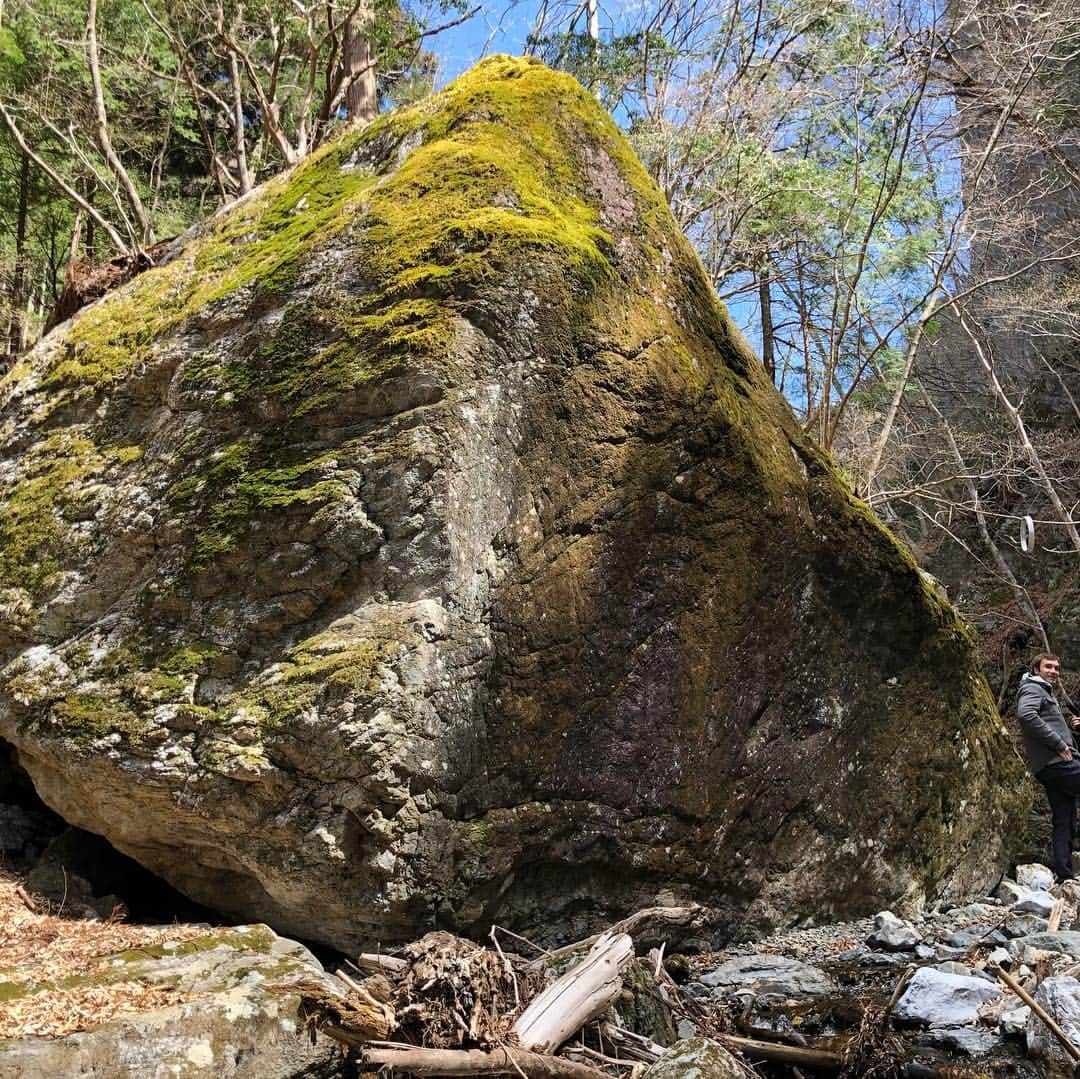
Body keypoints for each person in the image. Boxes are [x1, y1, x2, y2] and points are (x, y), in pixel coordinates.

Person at [1018, 653, 1080, 882]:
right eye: (1048, 667)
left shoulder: (1043, 691)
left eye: (1057, 668)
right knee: (1064, 818)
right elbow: (1026, 715)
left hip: (1048, 768)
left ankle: (1065, 876)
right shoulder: (1033, 689)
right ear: (1036, 669)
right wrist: (1059, 745)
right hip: (1058, 763)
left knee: (1064, 818)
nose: (1054, 671)